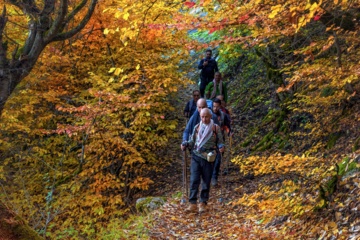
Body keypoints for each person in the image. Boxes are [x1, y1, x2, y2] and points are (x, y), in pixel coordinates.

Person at [181, 108, 225, 213]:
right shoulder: (197, 127)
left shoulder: (215, 128)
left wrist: (221, 146)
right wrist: (186, 144)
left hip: (209, 158)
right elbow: (192, 141)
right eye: (202, 117)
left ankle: (203, 203)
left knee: (206, 181)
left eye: (206, 117)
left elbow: (220, 141)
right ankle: (192, 203)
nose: (204, 119)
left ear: (210, 117)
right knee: (194, 179)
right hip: (196, 156)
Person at [211, 98, 232, 186]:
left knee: (218, 159)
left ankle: (214, 177)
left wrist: (229, 132)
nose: (215, 108)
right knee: (210, 159)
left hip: (220, 140)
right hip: (210, 141)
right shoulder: (209, 115)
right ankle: (209, 176)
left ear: (220, 106)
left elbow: (227, 126)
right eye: (214, 106)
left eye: (217, 106)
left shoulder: (223, 116)